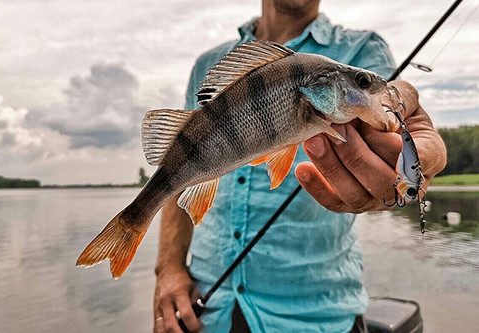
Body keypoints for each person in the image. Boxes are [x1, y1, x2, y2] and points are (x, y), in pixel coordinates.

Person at [153, 1, 446, 332]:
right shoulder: (208, 65)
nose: (364, 86)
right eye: (361, 82)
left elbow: (390, 113)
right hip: (205, 308)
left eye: (361, 82)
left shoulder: (362, 50)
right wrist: (168, 267)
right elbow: (178, 170)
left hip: (314, 315)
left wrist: (404, 162)